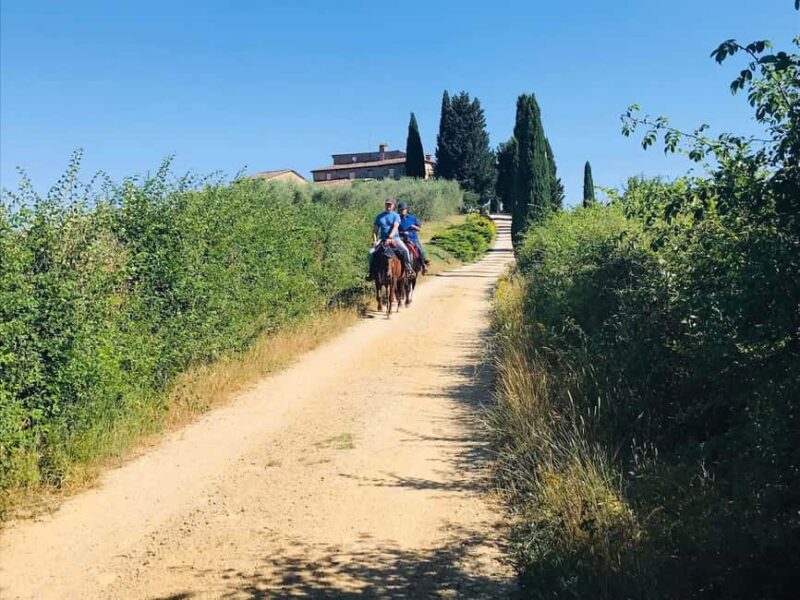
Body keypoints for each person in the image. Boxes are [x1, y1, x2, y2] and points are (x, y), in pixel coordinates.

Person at [367, 197, 415, 281]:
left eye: (390, 204)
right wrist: (374, 240)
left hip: (395, 238)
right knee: (371, 252)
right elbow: (375, 231)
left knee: (405, 250)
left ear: (393, 206)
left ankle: (409, 269)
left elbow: (395, 227)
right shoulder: (379, 216)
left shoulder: (396, 216)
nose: (388, 206)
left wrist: (390, 237)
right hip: (382, 239)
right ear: (385, 205)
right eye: (387, 204)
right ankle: (371, 273)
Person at [398, 202, 430, 273]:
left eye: (403, 209)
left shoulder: (412, 218)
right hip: (401, 238)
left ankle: (423, 264)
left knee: (419, 249)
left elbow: (419, 229)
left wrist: (414, 226)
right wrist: (402, 233)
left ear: (406, 209)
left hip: (412, 238)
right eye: (401, 209)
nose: (402, 211)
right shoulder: (397, 218)